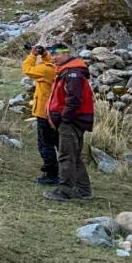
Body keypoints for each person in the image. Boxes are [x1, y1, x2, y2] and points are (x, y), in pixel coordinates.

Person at [43, 42, 94, 201]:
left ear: (66, 53)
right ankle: (83, 190)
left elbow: (74, 100)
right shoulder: (68, 71)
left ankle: (65, 191)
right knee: (74, 155)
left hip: (71, 122)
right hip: (74, 121)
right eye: (52, 54)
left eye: (57, 54)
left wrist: (64, 119)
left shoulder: (72, 73)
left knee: (66, 156)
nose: (54, 58)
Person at [22, 45, 57, 185]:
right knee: (55, 143)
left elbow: (27, 69)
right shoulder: (56, 67)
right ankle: (61, 172)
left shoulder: (45, 70)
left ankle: (52, 174)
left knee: (45, 144)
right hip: (55, 112)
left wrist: (32, 55)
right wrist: (44, 55)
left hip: (44, 112)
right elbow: (50, 62)